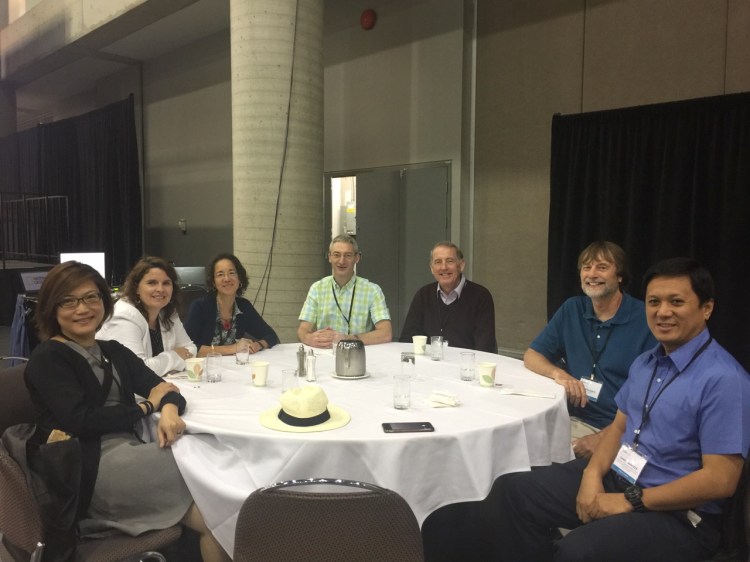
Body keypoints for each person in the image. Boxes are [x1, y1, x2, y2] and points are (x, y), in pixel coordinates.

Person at [483, 258, 750, 562]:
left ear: (706, 308)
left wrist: (631, 500)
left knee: (577, 551)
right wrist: (592, 474)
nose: (663, 312)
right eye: (654, 302)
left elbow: (720, 480)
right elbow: (620, 427)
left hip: (679, 515)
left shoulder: (724, 380)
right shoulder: (646, 362)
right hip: (620, 479)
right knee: (513, 492)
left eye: (676, 302)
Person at [24, 261, 229, 561]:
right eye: (68, 301)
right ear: (51, 308)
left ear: (104, 302)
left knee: (213, 487)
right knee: (216, 508)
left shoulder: (112, 350)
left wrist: (169, 411)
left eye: (91, 297)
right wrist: (147, 406)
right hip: (88, 467)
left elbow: (166, 389)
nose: (82, 308)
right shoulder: (48, 358)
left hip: (130, 451)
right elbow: (82, 421)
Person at [524, 241, 656, 457]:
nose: (592, 274)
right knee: (510, 448)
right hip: (568, 418)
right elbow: (532, 356)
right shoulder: (573, 308)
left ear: (620, 276)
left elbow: (655, 399)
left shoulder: (645, 319)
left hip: (618, 430)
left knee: (531, 464)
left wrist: (604, 438)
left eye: (602, 267)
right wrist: (560, 374)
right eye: (586, 267)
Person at [97, 256, 196, 376]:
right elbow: (137, 371)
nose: (160, 289)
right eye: (152, 283)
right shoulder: (124, 315)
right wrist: (174, 356)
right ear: (136, 288)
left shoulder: (167, 311)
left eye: (166, 283)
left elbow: (191, 348)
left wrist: (162, 365)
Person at [399, 241, 497, 353]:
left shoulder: (480, 297)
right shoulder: (423, 295)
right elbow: (407, 339)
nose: (444, 267)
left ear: (461, 265)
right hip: (428, 361)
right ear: (432, 268)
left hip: (465, 362)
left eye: (450, 261)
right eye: (438, 262)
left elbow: (484, 347)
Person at [297, 234, 392, 348]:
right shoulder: (317, 288)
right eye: (336, 255)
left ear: (357, 258)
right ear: (330, 257)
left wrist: (346, 338)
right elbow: (303, 330)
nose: (342, 261)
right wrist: (309, 338)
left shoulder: (372, 290)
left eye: (348, 255)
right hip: (324, 353)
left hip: (358, 354)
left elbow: (385, 333)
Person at [185, 253, 280, 357]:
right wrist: (233, 348)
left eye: (231, 273)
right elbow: (187, 348)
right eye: (220, 274)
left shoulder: (244, 306)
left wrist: (258, 345)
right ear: (213, 282)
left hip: (233, 365)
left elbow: (271, 336)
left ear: (239, 279)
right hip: (205, 365)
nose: (227, 279)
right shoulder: (200, 307)